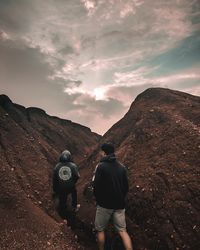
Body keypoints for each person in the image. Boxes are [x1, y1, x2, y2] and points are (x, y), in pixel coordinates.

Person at [93, 142, 133, 250]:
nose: (100, 153)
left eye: (101, 151)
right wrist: (120, 198)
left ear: (104, 152)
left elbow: (96, 186)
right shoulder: (122, 167)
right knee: (123, 231)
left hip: (104, 205)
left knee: (100, 230)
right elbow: (126, 187)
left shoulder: (101, 167)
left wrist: (98, 199)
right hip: (119, 205)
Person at [53, 150, 80, 218]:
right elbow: (77, 176)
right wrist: (73, 182)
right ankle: (74, 206)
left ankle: (62, 212)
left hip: (61, 187)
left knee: (62, 197)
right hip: (70, 186)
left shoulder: (57, 166)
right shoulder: (73, 166)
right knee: (74, 192)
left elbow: (54, 179)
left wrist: (55, 189)